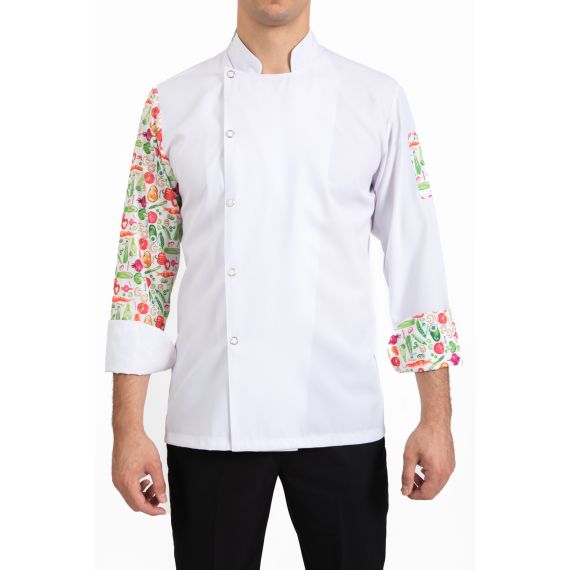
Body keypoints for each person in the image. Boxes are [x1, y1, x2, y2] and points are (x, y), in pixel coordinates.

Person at [104, 1, 462, 568]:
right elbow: (142, 273)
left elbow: (416, 259)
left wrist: (436, 417)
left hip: (340, 416)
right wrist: (127, 427)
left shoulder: (378, 100)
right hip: (211, 421)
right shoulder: (170, 105)